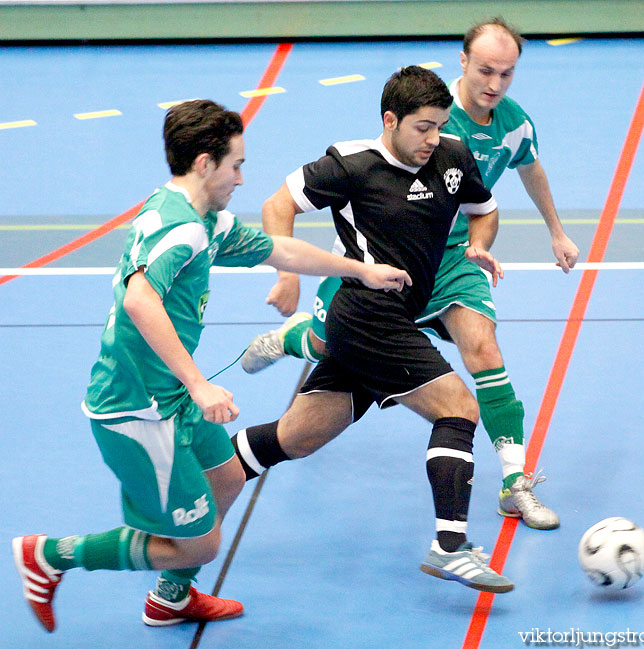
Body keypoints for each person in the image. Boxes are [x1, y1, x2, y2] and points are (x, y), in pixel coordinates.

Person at [11, 99, 410, 633]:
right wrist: (199, 386)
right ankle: (50, 555)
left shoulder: (204, 219)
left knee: (225, 479)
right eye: (236, 165)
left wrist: (360, 271)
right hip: (137, 410)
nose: (243, 178)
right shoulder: (182, 230)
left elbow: (278, 251)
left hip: (167, 398)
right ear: (204, 163)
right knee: (198, 543)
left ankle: (170, 601)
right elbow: (139, 300)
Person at [241, 18, 579, 530]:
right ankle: (292, 340)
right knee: (328, 345)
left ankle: (514, 483)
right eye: (486, 70)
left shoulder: (512, 124)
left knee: (482, 348)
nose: (495, 84)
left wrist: (547, 232)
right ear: (463, 62)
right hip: (382, 266)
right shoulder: (423, 114)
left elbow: (521, 176)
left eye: (507, 74)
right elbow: (323, 189)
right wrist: (288, 272)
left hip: (455, 260)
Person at [232, 65, 515, 593]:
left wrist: (480, 244)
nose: (434, 139)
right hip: (366, 315)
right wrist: (286, 273)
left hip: (393, 320)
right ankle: (450, 547)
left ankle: (206, 473)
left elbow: (484, 209)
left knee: (297, 437)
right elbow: (277, 205)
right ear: (391, 120)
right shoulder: (351, 165)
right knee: (459, 406)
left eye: (439, 126)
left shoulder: (452, 155)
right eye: (422, 128)